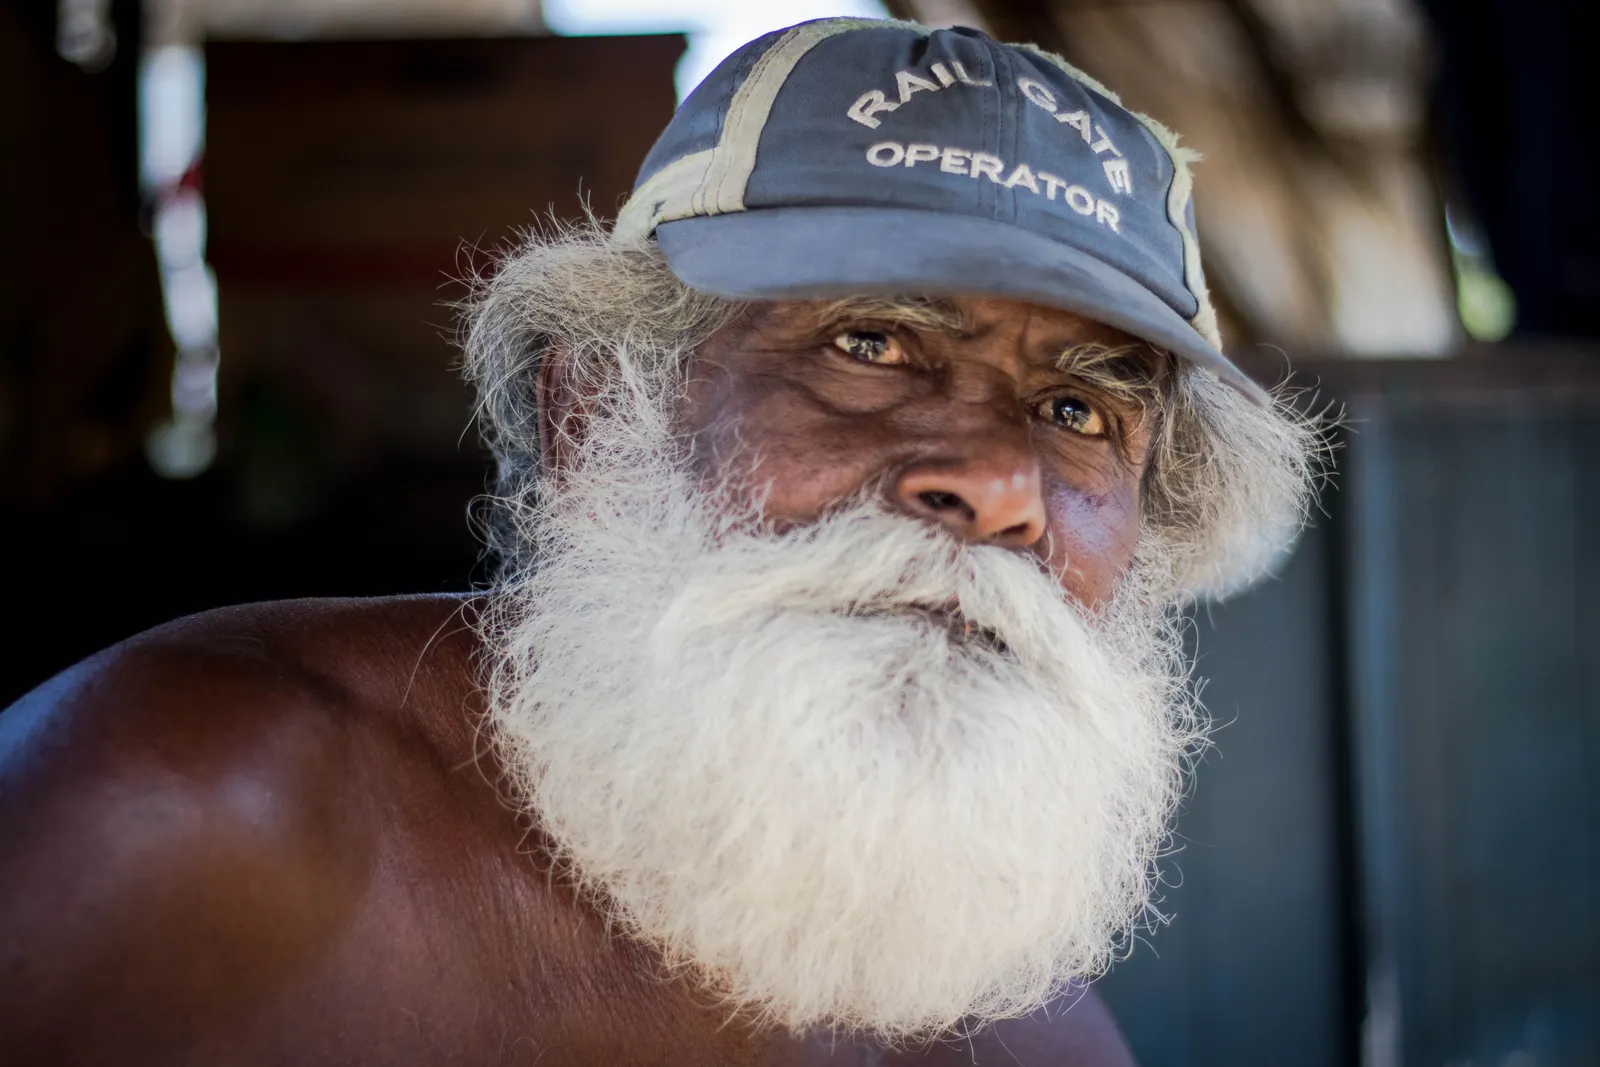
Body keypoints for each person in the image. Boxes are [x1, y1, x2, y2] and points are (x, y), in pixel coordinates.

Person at [0, 17, 1321, 1066]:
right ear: (591, 411)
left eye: (1078, 407)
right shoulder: (180, 822)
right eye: (869, 344)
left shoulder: (1002, 1007)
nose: (994, 481)